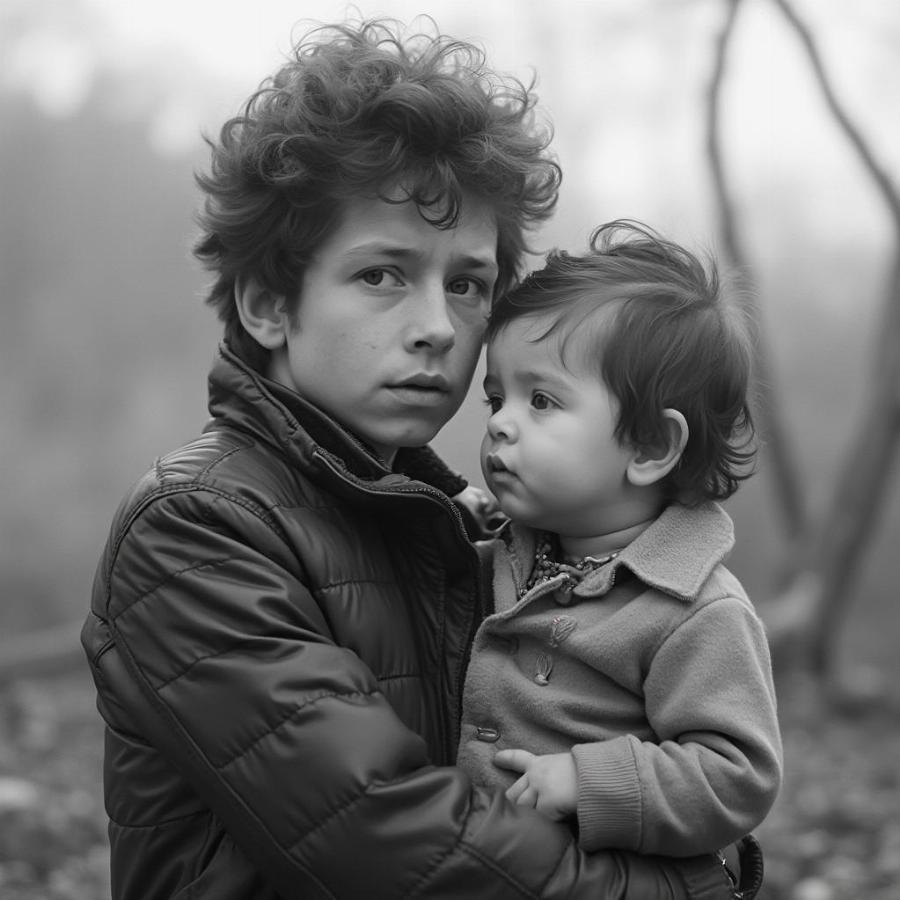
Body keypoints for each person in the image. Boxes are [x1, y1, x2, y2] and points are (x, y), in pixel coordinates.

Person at [81, 20, 734, 900]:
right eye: (383, 274)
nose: (437, 325)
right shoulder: (198, 524)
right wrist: (688, 889)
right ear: (271, 304)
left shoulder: (469, 529)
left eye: (465, 284)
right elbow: (386, 838)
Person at [457, 221, 783, 863]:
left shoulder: (693, 612)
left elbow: (737, 775)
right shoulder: (511, 547)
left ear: (652, 446)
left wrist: (592, 781)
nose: (500, 423)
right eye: (497, 398)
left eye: (542, 400)